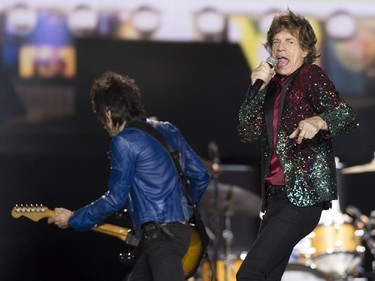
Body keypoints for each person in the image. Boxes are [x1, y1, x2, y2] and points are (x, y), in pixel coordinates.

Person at [47, 71, 210, 281]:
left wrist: (73, 218)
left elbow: (116, 198)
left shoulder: (123, 142)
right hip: (173, 235)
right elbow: (201, 176)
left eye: (101, 118)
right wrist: (182, 214)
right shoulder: (168, 129)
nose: (103, 125)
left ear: (107, 113)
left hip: (161, 238)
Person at [236, 9, 359, 281]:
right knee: (267, 276)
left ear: (304, 51)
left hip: (302, 197)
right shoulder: (267, 87)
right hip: (275, 199)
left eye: (290, 41)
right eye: (276, 42)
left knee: (250, 273)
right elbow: (246, 132)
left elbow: (347, 116)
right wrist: (254, 90)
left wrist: (318, 121)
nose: (281, 47)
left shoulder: (310, 76)